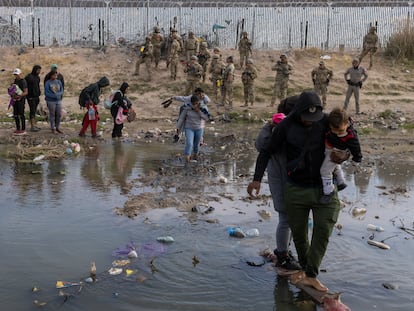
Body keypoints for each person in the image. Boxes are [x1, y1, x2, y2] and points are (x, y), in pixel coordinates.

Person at [247, 91, 340, 292]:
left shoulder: (320, 123)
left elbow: (334, 145)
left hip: (308, 183)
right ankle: (283, 255)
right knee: (286, 220)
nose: (308, 122)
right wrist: (256, 179)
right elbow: (263, 149)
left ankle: (299, 263)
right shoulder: (281, 127)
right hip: (283, 180)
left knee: (308, 226)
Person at [254, 95, 302, 271]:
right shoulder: (274, 128)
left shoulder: (297, 127)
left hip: (294, 180)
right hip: (279, 179)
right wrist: (270, 127)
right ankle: (282, 255)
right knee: (285, 218)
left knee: (291, 219)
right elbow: (260, 147)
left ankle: (286, 251)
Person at [320, 107, 362, 204]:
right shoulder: (331, 124)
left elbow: (356, 147)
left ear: (347, 124)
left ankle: (328, 192)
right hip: (330, 148)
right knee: (333, 166)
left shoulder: (350, 135)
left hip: (338, 152)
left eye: (341, 131)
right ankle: (341, 182)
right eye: (334, 130)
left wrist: (357, 159)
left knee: (325, 170)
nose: (338, 133)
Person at [176, 94, 209, 162]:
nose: (195, 105)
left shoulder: (203, 108)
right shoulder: (187, 107)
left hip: (199, 128)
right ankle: (187, 161)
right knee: (189, 143)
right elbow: (181, 118)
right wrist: (178, 128)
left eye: (196, 104)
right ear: (191, 103)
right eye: (193, 104)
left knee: (196, 145)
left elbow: (206, 118)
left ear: (198, 102)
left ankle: (195, 158)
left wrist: (198, 111)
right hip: (189, 128)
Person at [10, 68, 28, 135]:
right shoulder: (15, 81)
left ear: (20, 74)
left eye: (17, 74)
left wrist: (20, 95)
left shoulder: (23, 81)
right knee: (16, 114)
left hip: (21, 100)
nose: (16, 76)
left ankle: (23, 129)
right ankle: (18, 128)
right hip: (15, 100)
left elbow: (25, 92)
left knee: (21, 114)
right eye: (15, 75)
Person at [25, 65, 42, 132]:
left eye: (40, 70)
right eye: (38, 70)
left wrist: (38, 93)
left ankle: (34, 125)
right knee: (32, 111)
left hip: (36, 96)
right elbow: (25, 86)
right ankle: (32, 126)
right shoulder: (29, 77)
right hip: (31, 97)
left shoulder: (37, 77)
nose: (39, 72)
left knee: (34, 111)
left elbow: (37, 86)